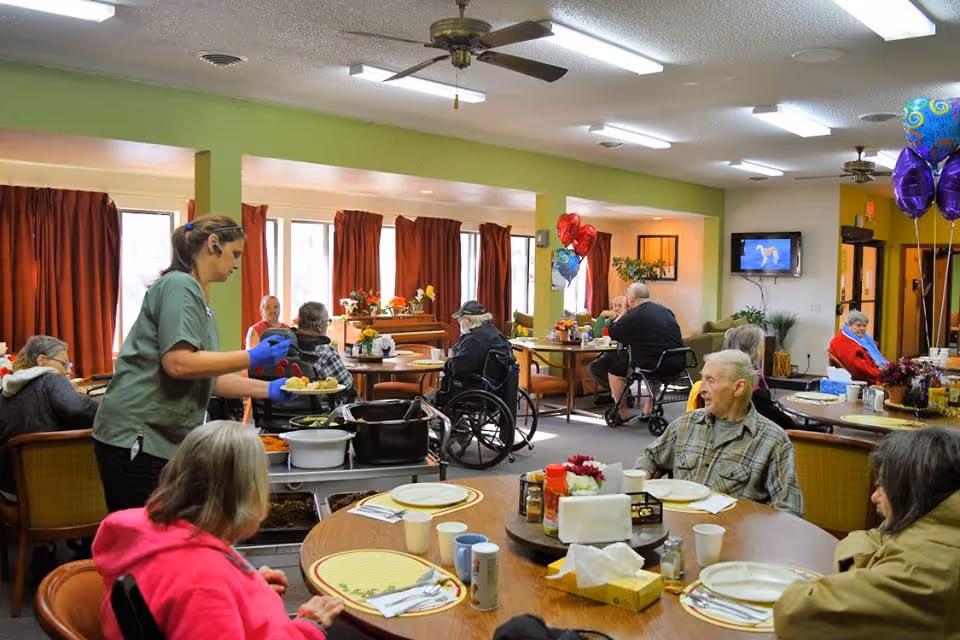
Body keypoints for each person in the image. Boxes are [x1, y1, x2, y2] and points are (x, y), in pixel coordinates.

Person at [93, 216, 294, 513]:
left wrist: (270, 389)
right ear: (214, 245)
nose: (237, 263)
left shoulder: (198, 297)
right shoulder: (179, 286)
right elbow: (178, 363)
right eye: (235, 253)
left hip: (158, 438)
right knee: (145, 541)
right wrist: (251, 356)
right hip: (136, 436)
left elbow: (207, 376)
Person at [93, 420, 344, 640]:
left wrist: (246, 586)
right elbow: (202, 594)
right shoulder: (202, 586)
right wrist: (308, 626)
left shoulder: (152, 531)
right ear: (245, 495)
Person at [774, 428, 960, 639]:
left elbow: (794, 613)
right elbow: (874, 535)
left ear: (913, 493)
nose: (873, 497)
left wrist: (854, 577)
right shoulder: (938, 522)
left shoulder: (921, 570)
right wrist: (858, 577)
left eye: (884, 486)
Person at [635, 350, 803, 517]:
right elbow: (651, 458)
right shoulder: (686, 424)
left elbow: (789, 510)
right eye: (702, 379)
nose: (701, 389)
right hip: (679, 529)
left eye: (710, 381)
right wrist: (639, 481)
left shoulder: (773, 440)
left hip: (732, 536)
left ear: (738, 388)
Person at [0, 336, 99, 500]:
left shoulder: (6, 390)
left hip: (11, 490)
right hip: (52, 490)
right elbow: (76, 409)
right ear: (41, 360)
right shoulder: (51, 378)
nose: (68, 371)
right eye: (64, 364)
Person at [686, 325, 795, 430]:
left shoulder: (723, 376)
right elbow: (776, 420)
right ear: (754, 348)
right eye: (762, 344)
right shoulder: (751, 389)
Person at [605, 282, 684, 424]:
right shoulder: (665, 310)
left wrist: (623, 312)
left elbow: (613, 332)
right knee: (653, 365)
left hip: (656, 364)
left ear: (631, 299)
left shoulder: (634, 315)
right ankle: (648, 408)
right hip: (678, 361)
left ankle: (622, 412)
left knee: (615, 371)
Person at [431, 301, 513, 407]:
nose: (459, 322)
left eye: (460, 319)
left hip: (472, 389)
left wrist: (446, 362)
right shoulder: (494, 333)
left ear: (468, 320)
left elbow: (459, 365)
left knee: (426, 399)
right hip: (496, 388)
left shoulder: (474, 339)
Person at [293, 301, 352, 389]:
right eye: (327, 321)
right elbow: (346, 384)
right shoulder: (325, 351)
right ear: (319, 326)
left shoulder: (287, 345)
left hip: (284, 400)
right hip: (321, 402)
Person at [828, 310, 888, 384]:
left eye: (864, 326)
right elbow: (858, 367)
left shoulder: (862, 338)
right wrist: (882, 376)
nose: (862, 328)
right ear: (848, 325)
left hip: (872, 372)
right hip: (862, 379)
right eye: (858, 325)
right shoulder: (843, 341)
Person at [589, 296, 628, 404]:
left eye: (620, 306)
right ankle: (619, 393)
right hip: (610, 354)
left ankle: (621, 394)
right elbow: (598, 335)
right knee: (594, 366)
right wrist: (602, 316)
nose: (616, 309)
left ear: (627, 307)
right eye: (614, 306)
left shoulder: (628, 319)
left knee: (603, 367)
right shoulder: (611, 321)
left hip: (625, 355)